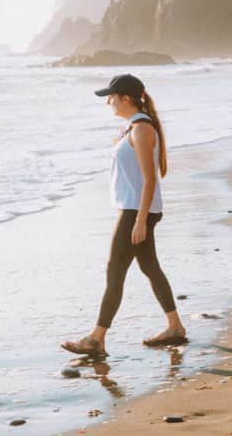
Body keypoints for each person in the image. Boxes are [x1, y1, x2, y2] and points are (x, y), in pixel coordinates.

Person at [62, 73, 187, 357]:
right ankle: (175, 327)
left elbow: (149, 180)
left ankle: (96, 339)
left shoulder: (142, 130)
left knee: (114, 271)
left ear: (127, 99)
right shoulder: (136, 128)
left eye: (111, 97)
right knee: (149, 268)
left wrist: (141, 219)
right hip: (136, 208)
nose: (108, 102)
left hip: (135, 211)